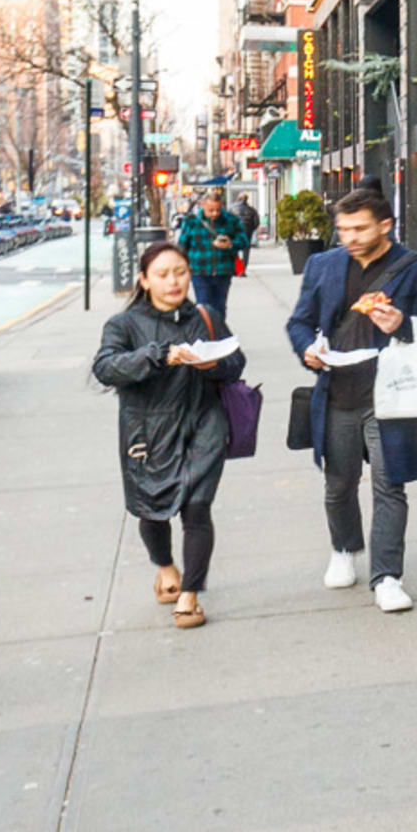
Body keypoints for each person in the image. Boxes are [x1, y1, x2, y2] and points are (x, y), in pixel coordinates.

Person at [283, 181, 417, 613]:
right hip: (337, 390)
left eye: (359, 228)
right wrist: (308, 350)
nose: (350, 238)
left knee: (389, 485)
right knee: (337, 485)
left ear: (386, 225)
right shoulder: (322, 265)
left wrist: (403, 323)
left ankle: (388, 576)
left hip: (393, 396)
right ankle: (344, 548)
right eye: (343, 229)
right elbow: (299, 323)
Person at [95, 236, 238, 627]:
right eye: (162, 274)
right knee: (152, 511)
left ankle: (189, 596)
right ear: (144, 280)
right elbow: (106, 367)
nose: (173, 282)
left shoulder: (205, 317)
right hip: (147, 431)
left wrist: (213, 366)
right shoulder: (123, 324)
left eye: (180, 272)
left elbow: (235, 361)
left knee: (197, 509)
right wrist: (159, 355)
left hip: (204, 423)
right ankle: (165, 567)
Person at [176, 185, 240, 328]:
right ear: (202, 206)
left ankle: (219, 335)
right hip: (200, 270)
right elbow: (182, 245)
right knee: (203, 305)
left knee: (220, 307)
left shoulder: (230, 220)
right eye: (210, 210)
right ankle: (206, 335)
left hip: (223, 270)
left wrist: (231, 244)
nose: (214, 213)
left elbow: (244, 240)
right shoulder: (192, 221)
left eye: (218, 209)